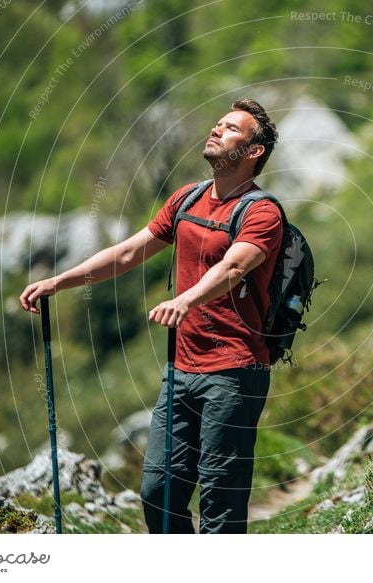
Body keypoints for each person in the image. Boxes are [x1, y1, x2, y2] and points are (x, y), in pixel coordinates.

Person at [19, 98, 283, 533]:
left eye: (231, 128)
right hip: (180, 371)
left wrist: (187, 300)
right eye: (216, 123)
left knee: (221, 501)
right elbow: (126, 253)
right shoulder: (188, 198)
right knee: (158, 493)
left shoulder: (261, 212)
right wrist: (58, 282)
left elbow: (235, 266)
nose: (216, 130)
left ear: (253, 152)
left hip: (235, 373)